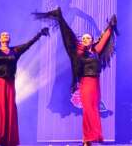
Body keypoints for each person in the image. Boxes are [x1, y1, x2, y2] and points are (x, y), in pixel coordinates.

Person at [34, 8, 117, 146]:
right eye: (83, 38)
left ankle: (89, 138)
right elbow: (68, 36)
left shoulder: (96, 50)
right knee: (88, 109)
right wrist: (60, 18)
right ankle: (88, 137)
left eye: (88, 38)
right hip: (85, 83)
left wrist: (110, 26)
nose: (85, 39)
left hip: (96, 83)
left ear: (92, 40)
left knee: (93, 108)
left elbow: (104, 39)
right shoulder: (78, 52)